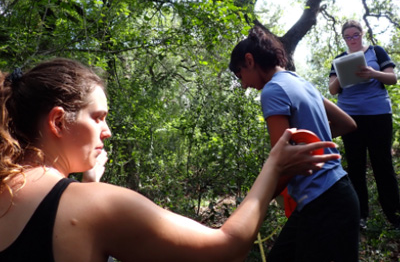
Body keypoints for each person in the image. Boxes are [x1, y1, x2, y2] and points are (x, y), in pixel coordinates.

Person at [0, 58, 339, 262]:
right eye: (98, 117)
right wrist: (274, 168)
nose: (108, 131)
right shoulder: (92, 206)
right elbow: (227, 249)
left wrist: (88, 186)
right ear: (58, 122)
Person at [229, 26, 360, 262]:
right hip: (336, 194)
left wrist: (252, 205)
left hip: (325, 205)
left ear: (249, 61)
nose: (243, 85)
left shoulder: (273, 90)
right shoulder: (301, 83)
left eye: (240, 75)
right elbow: (347, 123)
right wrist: (313, 143)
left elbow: (284, 164)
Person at [329, 19, 400, 230]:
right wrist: (343, 75)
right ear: (344, 38)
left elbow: (392, 78)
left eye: (355, 35)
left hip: (378, 114)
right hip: (350, 119)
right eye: (347, 36)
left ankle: (395, 215)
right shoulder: (339, 60)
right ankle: (360, 216)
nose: (352, 39)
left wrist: (372, 73)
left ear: (362, 34)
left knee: (383, 165)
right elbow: (332, 90)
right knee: (356, 167)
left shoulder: (377, 52)